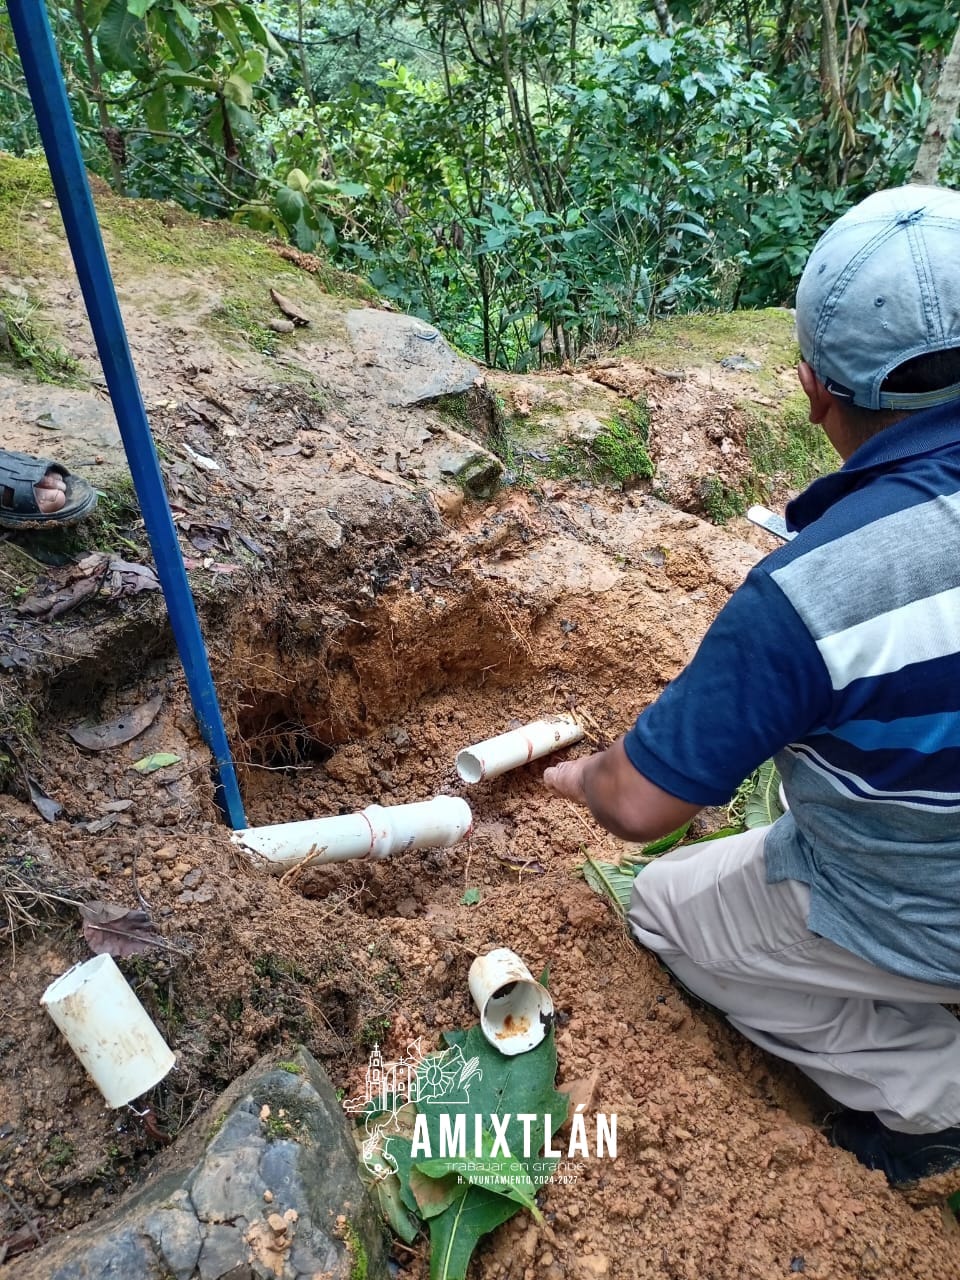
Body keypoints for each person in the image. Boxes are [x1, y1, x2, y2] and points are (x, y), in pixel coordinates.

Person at [544, 184, 960, 1202]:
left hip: (926, 911)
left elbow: (642, 806)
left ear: (815, 389)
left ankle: (934, 1097)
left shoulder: (811, 594)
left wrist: (587, 772)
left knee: (672, 907)